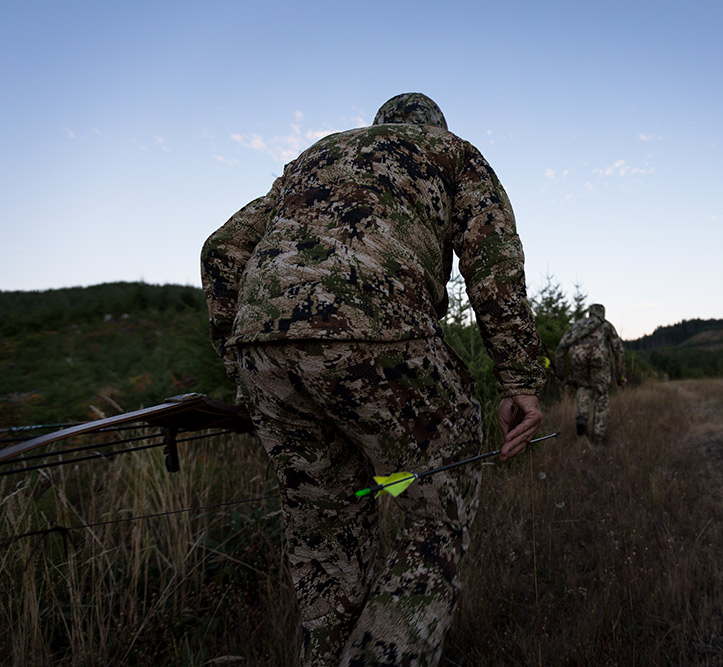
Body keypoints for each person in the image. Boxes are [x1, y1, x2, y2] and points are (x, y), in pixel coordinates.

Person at [200, 92, 546, 666]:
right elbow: (495, 263)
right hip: (379, 335)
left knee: (322, 538)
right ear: (435, 126)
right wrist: (518, 379)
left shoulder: (314, 159)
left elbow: (221, 250)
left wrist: (240, 365)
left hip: (263, 351)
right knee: (433, 519)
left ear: (380, 124)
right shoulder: (450, 152)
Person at [555, 304, 625, 444]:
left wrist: (561, 372)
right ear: (602, 313)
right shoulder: (606, 326)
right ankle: (598, 437)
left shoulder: (577, 325)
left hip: (578, 358)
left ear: (590, 313)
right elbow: (618, 351)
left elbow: (561, 347)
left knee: (583, 387)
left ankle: (582, 417)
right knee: (601, 395)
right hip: (598, 359)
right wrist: (620, 376)